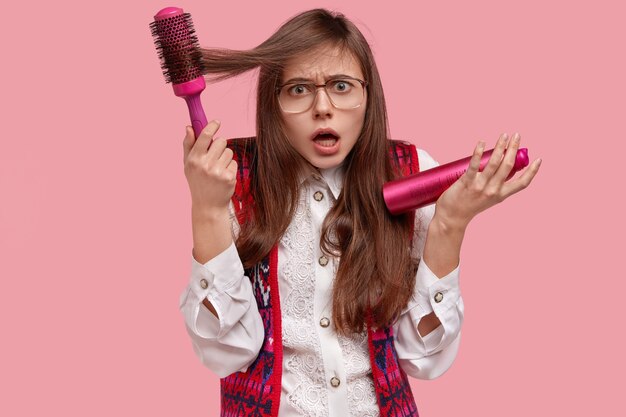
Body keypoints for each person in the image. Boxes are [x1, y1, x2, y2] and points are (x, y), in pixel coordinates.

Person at [179, 8, 541, 417]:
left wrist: (450, 224)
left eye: (341, 86)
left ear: (368, 95)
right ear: (273, 102)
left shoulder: (411, 170)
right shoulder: (234, 179)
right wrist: (208, 209)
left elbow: (422, 358)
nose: (322, 107)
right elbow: (225, 353)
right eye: (298, 90)